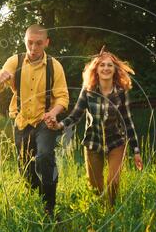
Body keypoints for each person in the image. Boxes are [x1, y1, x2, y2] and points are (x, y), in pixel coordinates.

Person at [0, 24, 69, 216]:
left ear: (46, 43)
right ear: (25, 41)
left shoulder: (54, 66)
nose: (33, 48)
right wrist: (0, 80)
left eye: (38, 44)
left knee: (44, 157)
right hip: (21, 120)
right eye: (29, 43)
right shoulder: (15, 61)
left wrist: (54, 112)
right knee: (25, 168)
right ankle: (36, 201)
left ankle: (49, 207)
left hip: (45, 120)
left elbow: (63, 98)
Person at [48, 48, 143, 207]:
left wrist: (136, 151)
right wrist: (59, 125)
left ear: (114, 70)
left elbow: (128, 122)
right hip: (93, 143)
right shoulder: (89, 91)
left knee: (113, 183)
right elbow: (75, 115)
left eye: (110, 65)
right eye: (102, 65)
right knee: (95, 189)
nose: (106, 68)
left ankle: (111, 213)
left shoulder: (121, 93)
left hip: (116, 143)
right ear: (96, 69)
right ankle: (100, 217)